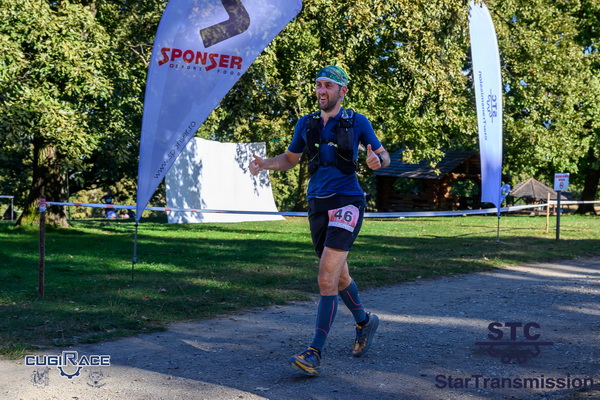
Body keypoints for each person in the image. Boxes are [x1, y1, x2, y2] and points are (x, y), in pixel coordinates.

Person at [249, 65, 390, 376]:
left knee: (326, 278)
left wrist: (376, 160)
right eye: (318, 85)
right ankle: (365, 322)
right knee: (339, 277)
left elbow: (384, 156)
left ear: (342, 91)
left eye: (328, 85)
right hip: (317, 204)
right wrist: (264, 164)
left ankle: (314, 351)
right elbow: (289, 160)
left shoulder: (358, 122)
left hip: (347, 201)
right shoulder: (306, 123)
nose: (321, 90)